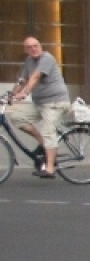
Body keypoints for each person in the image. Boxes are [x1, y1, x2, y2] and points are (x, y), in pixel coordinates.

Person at [9, 36, 69, 178]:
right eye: (29, 47)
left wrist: (24, 93)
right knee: (17, 117)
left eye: (35, 45)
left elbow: (35, 77)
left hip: (55, 103)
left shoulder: (47, 58)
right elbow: (22, 80)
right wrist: (11, 95)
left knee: (48, 131)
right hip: (39, 104)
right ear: (26, 50)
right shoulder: (29, 61)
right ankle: (44, 144)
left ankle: (49, 168)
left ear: (40, 46)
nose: (33, 49)